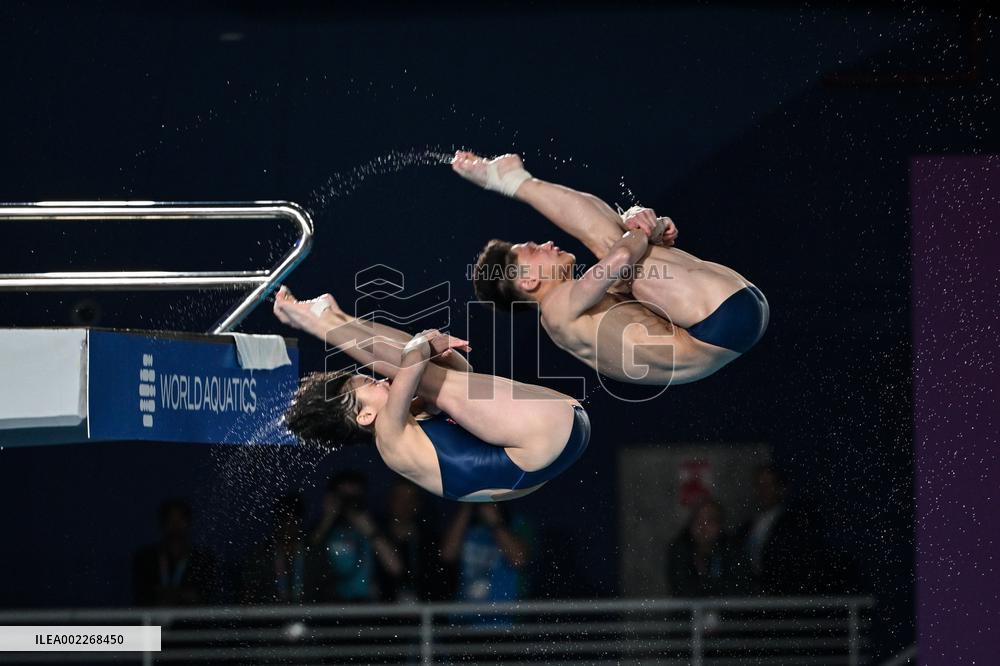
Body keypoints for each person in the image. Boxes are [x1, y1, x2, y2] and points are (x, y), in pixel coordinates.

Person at [454, 151, 768, 385]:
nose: (547, 243)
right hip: (719, 321)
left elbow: (629, 259)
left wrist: (649, 227)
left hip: (728, 322)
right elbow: (620, 258)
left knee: (619, 244)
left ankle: (513, 180)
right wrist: (641, 228)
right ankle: (513, 181)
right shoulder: (556, 309)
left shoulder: (577, 310)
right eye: (535, 250)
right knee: (612, 245)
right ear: (528, 281)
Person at [273, 286, 591, 502]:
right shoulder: (389, 438)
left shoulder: (412, 421)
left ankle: (336, 318)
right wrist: (425, 343)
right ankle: (318, 321)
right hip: (544, 444)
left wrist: (428, 346)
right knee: (419, 368)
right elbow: (412, 362)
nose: (379, 381)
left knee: (428, 368)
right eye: (369, 384)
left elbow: (457, 368)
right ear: (366, 415)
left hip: (555, 443)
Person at [309, 472, 402, 602]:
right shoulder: (321, 529)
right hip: (329, 605)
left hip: (369, 605)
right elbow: (305, 562)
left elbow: (396, 568)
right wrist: (328, 518)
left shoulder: (376, 526)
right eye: (344, 497)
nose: (349, 503)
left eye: (355, 498)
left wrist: (371, 532)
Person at [441, 504, 534, 613]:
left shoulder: (518, 523)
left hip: (505, 615)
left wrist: (495, 523)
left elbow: (519, 560)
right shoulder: (465, 524)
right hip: (465, 615)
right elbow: (447, 555)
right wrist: (466, 507)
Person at [240, 493, 322, 604]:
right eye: (284, 520)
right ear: (277, 522)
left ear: (300, 522)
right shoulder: (261, 555)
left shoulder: (313, 554)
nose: (288, 526)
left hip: (309, 612)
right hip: (270, 613)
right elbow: (249, 594)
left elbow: (324, 588)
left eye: (293, 520)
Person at [132, 499, 216, 606]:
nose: (175, 525)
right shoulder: (146, 558)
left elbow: (204, 596)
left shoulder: (202, 558)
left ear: (189, 523)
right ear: (162, 523)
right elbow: (143, 595)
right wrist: (182, 594)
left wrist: (169, 593)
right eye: (170, 520)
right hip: (155, 615)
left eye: (181, 520)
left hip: (192, 616)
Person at [379, 479, 448, 602]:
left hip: (425, 608)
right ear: (390, 501)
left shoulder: (429, 540)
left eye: (410, 500)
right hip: (383, 609)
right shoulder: (379, 536)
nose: (405, 505)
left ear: (418, 504)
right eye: (400, 499)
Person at [666, 498, 747, 597]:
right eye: (698, 521)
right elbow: (682, 589)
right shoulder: (680, 549)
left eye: (710, 521)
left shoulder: (732, 549)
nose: (703, 527)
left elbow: (738, 588)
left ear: (720, 525)